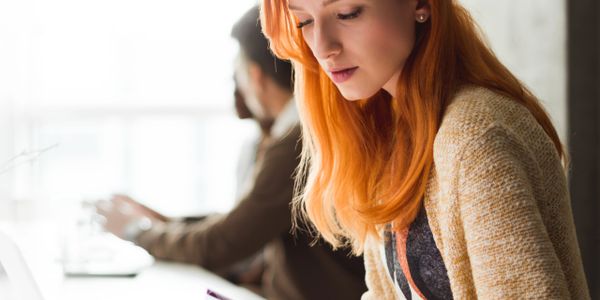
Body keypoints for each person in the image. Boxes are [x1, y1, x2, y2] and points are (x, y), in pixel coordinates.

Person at [260, 0, 590, 299]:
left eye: (348, 13)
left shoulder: (475, 140)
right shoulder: (390, 129)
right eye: (303, 22)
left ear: (420, 4)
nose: (322, 47)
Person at [96, 6, 367, 300]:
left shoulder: (297, 143)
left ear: (255, 77)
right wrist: (162, 222)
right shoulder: (305, 131)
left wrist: (137, 231)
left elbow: (225, 242)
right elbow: (242, 221)